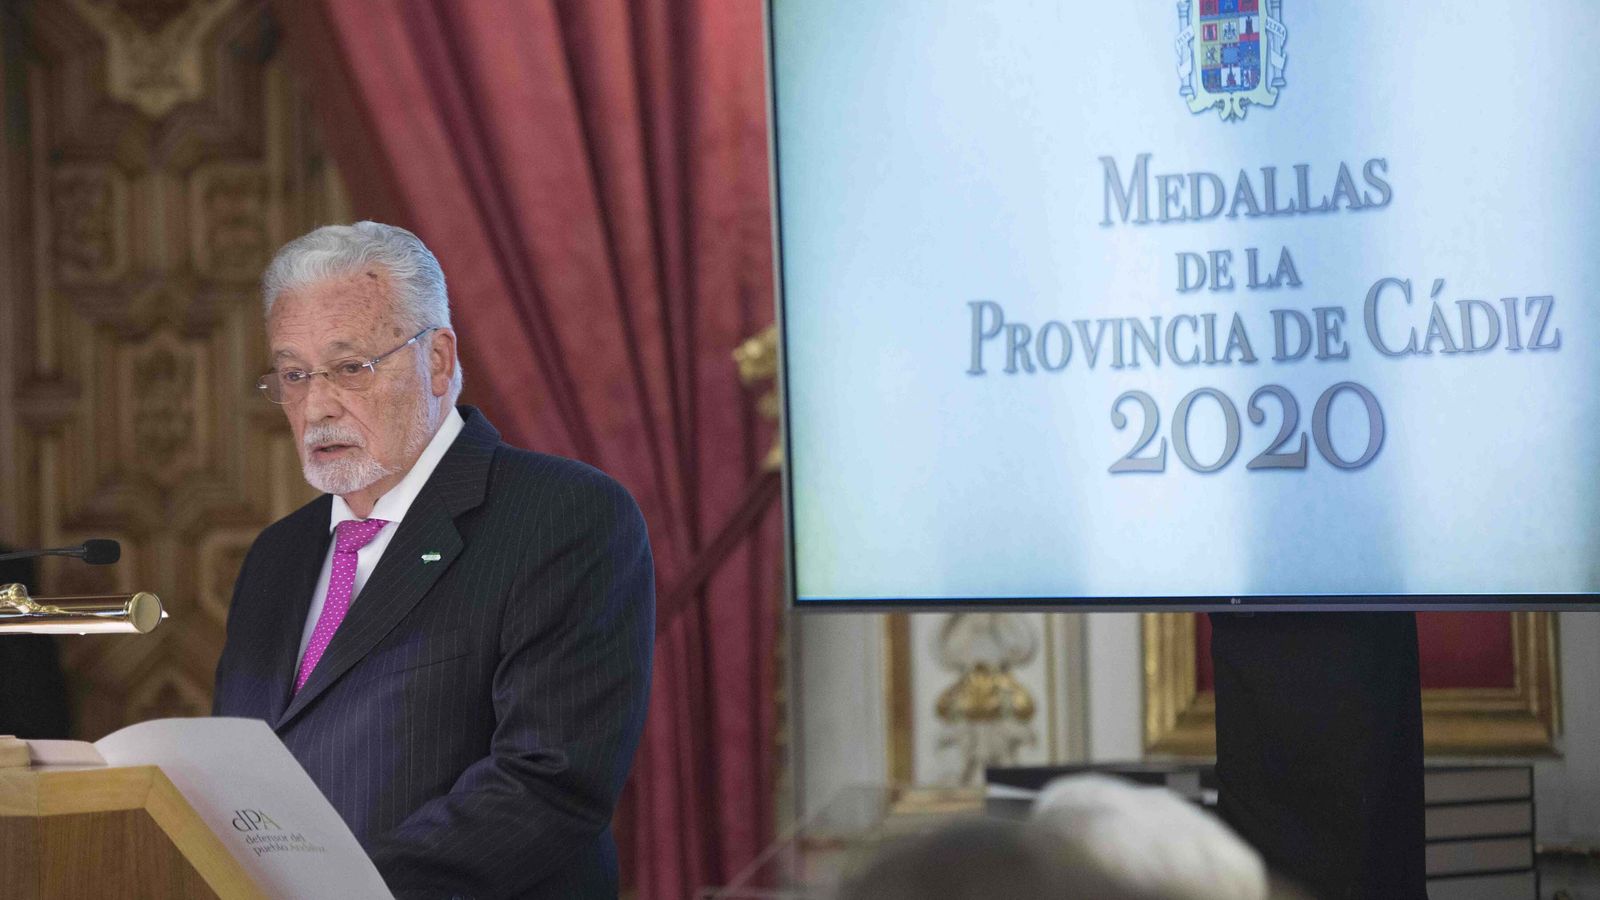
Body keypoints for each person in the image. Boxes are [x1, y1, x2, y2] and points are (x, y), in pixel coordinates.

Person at [213, 222, 654, 899]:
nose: (318, 405)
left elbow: (548, 780)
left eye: (350, 366)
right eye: (296, 375)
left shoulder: (563, 516)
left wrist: (346, 890)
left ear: (439, 360)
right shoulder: (278, 557)